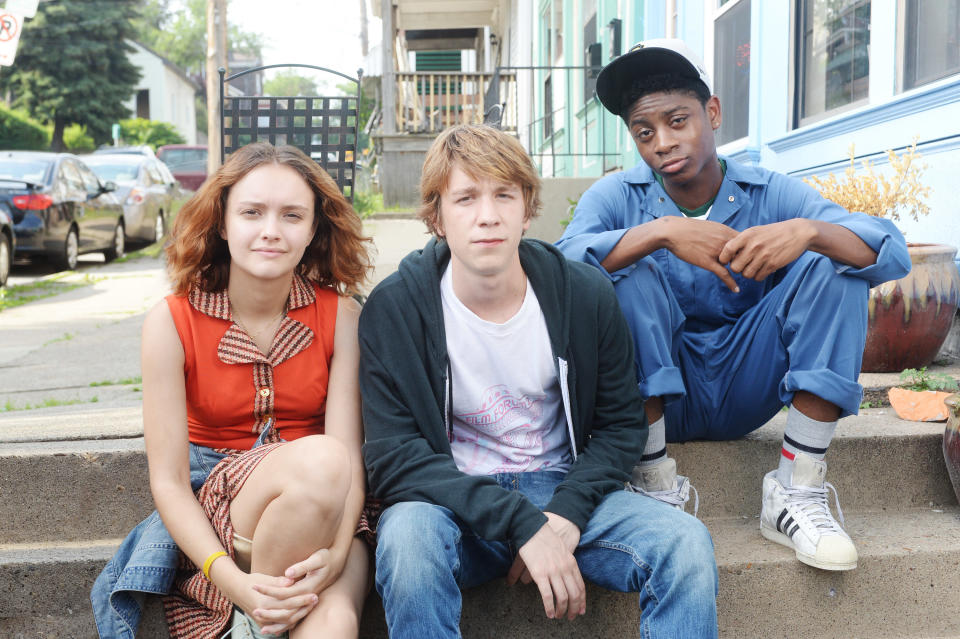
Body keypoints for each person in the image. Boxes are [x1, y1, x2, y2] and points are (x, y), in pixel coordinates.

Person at [557, 39, 911, 572]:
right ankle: (654, 486)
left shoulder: (767, 192)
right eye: (644, 132)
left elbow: (889, 251)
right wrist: (659, 233)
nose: (662, 142)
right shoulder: (615, 197)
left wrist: (807, 230)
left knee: (831, 260)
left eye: (678, 121)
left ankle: (795, 490)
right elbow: (557, 271)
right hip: (651, 398)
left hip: (748, 382)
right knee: (624, 269)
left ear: (713, 112)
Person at [359, 124, 718, 638]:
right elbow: (393, 459)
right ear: (436, 217)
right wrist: (520, 524)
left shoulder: (584, 294)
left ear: (527, 208)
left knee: (685, 544)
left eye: (504, 195)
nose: (488, 216)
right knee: (407, 543)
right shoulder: (396, 309)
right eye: (465, 198)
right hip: (453, 503)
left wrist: (565, 516)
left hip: (562, 485)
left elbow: (620, 427)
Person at [91, 142, 374, 639]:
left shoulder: (341, 315)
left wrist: (333, 558)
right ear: (222, 223)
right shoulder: (173, 321)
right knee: (322, 461)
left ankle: (255, 627)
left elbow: (351, 460)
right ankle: (248, 615)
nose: (271, 230)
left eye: (292, 215)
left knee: (335, 622)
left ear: (313, 230)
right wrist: (232, 582)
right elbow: (170, 483)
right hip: (221, 516)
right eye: (251, 212)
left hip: (333, 513)